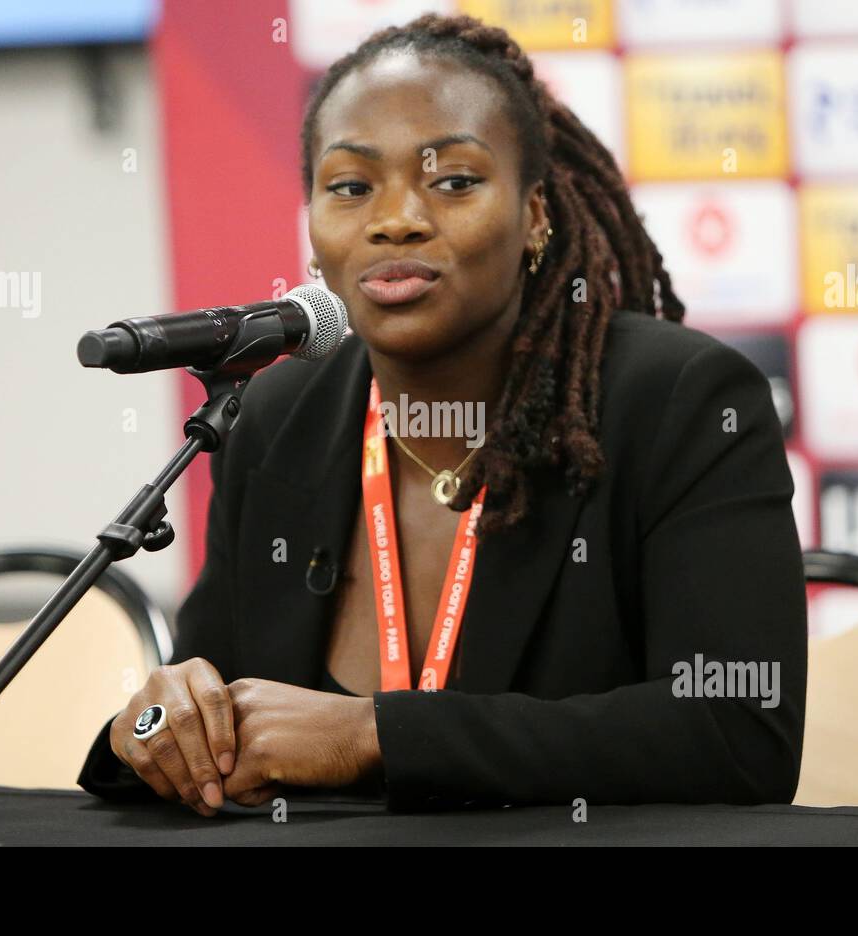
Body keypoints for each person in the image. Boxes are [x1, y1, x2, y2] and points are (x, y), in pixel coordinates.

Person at [77, 13, 806, 815]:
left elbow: (738, 734)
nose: (396, 218)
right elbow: (206, 717)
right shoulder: (277, 416)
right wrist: (154, 726)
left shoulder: (681, 403)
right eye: (351, 186)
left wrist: (373, 735)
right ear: (314, 233)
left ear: (535, 216)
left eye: (453, 181)